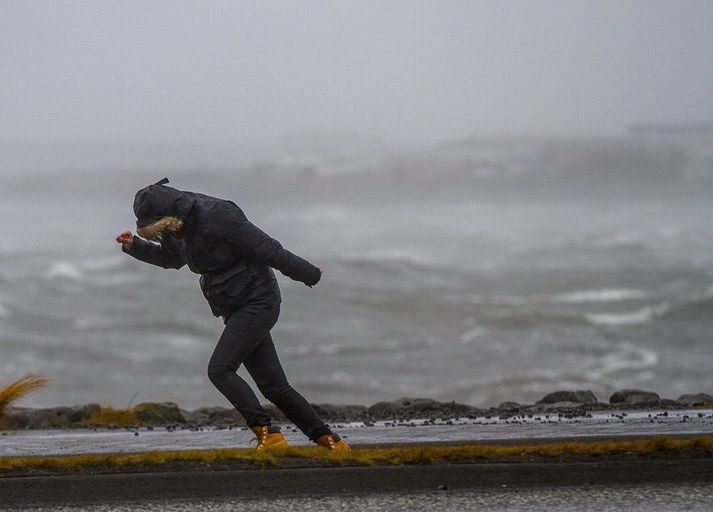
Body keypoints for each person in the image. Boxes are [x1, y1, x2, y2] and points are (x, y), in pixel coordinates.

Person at [115, 178, 350, 453]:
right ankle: (331, 443)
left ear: (168, 214)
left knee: (220, 369)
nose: (160, 234)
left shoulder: (219, 216)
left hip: (258, 300)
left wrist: (308, 273)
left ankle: (269, 435)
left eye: (158, 229)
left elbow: (269, 250)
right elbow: (173, 259)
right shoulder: (176, 228)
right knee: (274, 387)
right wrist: (136, 247)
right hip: (234, 305)